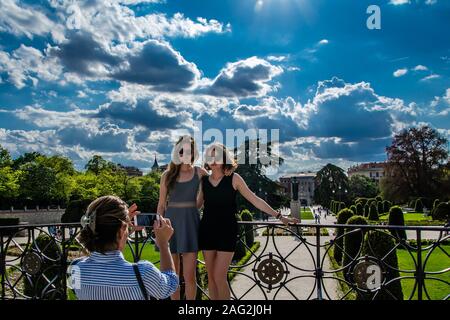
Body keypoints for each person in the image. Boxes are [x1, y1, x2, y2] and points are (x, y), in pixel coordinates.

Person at [197, 143, 299, 300]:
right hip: (207, 232)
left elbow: (255, 200)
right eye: (210, 156)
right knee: (211, 278)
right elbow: (196, 205)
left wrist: (280, 217)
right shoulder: (203, 181)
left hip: (227, 232)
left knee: (219, 277)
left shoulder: (234, 178)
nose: (214, 159)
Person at [69, 195, 178, 300]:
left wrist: (123, 229)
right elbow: (170, 284)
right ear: (121, 230)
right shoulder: (142, 272)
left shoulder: (75, 268)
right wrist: (164, 244)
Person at [156, 135, 209, 300]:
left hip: (190, 224)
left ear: (193, 153)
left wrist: (196, 206)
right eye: (181, 151)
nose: (184, 154)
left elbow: (208, 195)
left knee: (190, 277)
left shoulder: (200, 172)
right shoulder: (167, 175)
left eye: (188, 151)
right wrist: (159, 227)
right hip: (170, 224)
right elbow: (161, 204)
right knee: (173, 277)